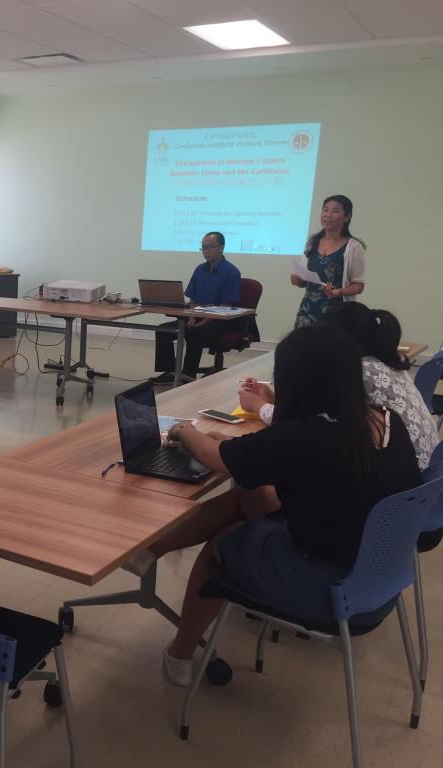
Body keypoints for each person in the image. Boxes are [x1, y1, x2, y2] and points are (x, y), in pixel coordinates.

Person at [126, 324, 420, 685]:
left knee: (223, 543)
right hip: (380, 576)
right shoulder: (384, 419)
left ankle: (180, 655)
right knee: (250, 496)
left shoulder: (306, 437)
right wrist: (226, 443)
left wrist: (183, 431)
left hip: (331, 586)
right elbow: (249, 453)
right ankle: (150, 551)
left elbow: (217, 457)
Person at [240, 302, 438, 470]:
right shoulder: (387, 361)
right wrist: (274, 399)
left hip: (398, 477)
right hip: (425, 480)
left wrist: (258, 405)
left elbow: (310, 429)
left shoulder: (356, 372)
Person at [151, 232, 241, 384]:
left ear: (221, 248)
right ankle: (171, 373)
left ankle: (188, 376)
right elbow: (192, 300)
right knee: (163, 330)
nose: (206, 251)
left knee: (194, 333)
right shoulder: (200, 270)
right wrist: (191, 316)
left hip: (220, 321)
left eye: (210, 247)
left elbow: (224, 307)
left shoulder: (231, 272)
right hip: (197, 317)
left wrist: (202, 322)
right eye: (203, 248)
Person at [292, 194, 366, 327]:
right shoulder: (312, 242)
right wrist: (298, 280)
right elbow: (303, 281)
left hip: (338, 311)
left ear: (347, 217)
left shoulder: (354, 247)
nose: (328, 215)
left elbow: (359, 286)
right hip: (308, 310)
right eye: (325, 210)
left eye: (335, 211)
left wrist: (340, 292)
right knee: (303, 340)